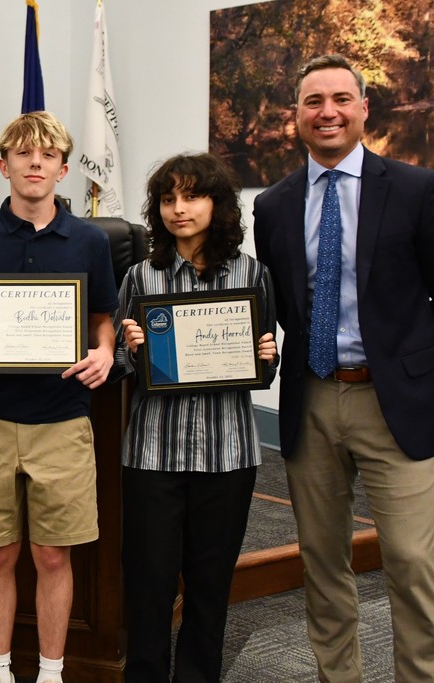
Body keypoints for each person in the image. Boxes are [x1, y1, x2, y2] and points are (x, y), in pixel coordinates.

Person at [253, 54, 434, 682]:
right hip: (312, 400)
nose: (326, 112)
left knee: (412, 561)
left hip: (398, 405)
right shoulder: (274, 206)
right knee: (322, 562)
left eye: (340, 99)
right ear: (296, 116)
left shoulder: (417, 189)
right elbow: (274, 305)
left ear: (364, 108)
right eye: (313, 101)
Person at [0, 112, 118, 683]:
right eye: (22, 154)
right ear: (4, 165)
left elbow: (101, 320)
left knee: (52, 554)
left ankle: (50, 672)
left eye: (46, 156)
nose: (34, 163)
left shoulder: (90, 240)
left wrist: (106, 352)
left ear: (64, 169)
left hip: (62, 417)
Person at [115, 153, 277, 682]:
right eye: (168, 199)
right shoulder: (139, 276)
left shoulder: (253, 274)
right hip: (153, 453)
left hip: (227, 454)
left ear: (218, 205)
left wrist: (266, 355)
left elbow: (261, 364)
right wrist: (131, 348)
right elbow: (119, 363)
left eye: (192, 196)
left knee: (209, 587)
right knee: (150, 585)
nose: (179, 209)